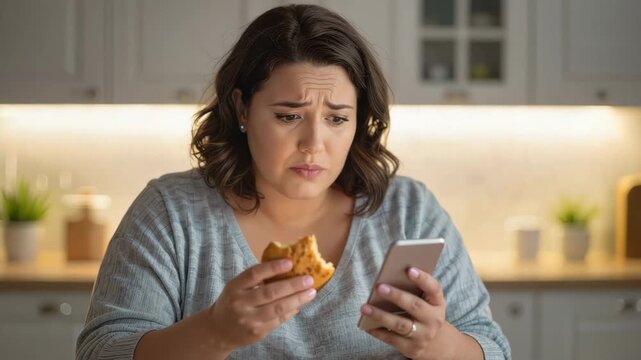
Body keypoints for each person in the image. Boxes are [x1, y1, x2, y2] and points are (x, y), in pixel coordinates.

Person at [76, 4, 510, 360]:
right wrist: (215, 332)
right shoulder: (171, 212)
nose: (314, 145)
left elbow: (493, 349)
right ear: (242, 109)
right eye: (288, 116)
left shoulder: (409, 209)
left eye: (337, 118)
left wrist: (440, 345)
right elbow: (101, 352)